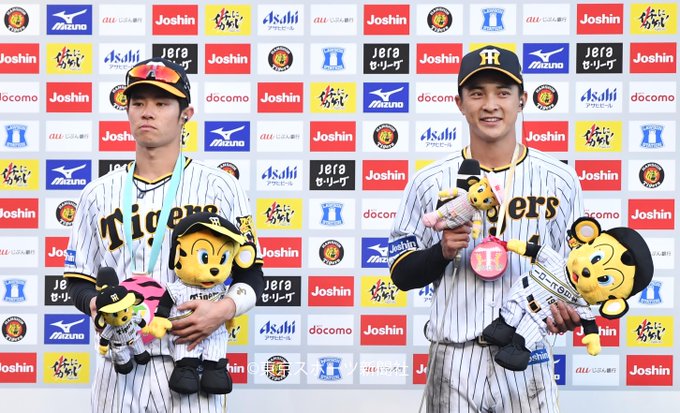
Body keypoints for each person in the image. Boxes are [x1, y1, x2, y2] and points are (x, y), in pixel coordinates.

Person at [388, 45, 584, 412]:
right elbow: (401, 273)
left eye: (503, 92)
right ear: (459, 103)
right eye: (477, 93)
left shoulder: (560, 179)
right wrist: (442, 252)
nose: (490, 105)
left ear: (522, 100)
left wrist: (566, 309)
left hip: (528, 356)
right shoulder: (430, 181)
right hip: (454, 358)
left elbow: (576, 271)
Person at [63, 57, 264, 413]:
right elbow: (79, 281)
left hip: (191, 361)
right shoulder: (97, 193)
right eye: (138, 102)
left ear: (186, 114)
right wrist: (100, 306)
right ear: (127, 111)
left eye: (161, 103)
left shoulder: (221, 186)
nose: (147, 113)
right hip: (119, 364)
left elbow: (251, 274)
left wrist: (222, 310)